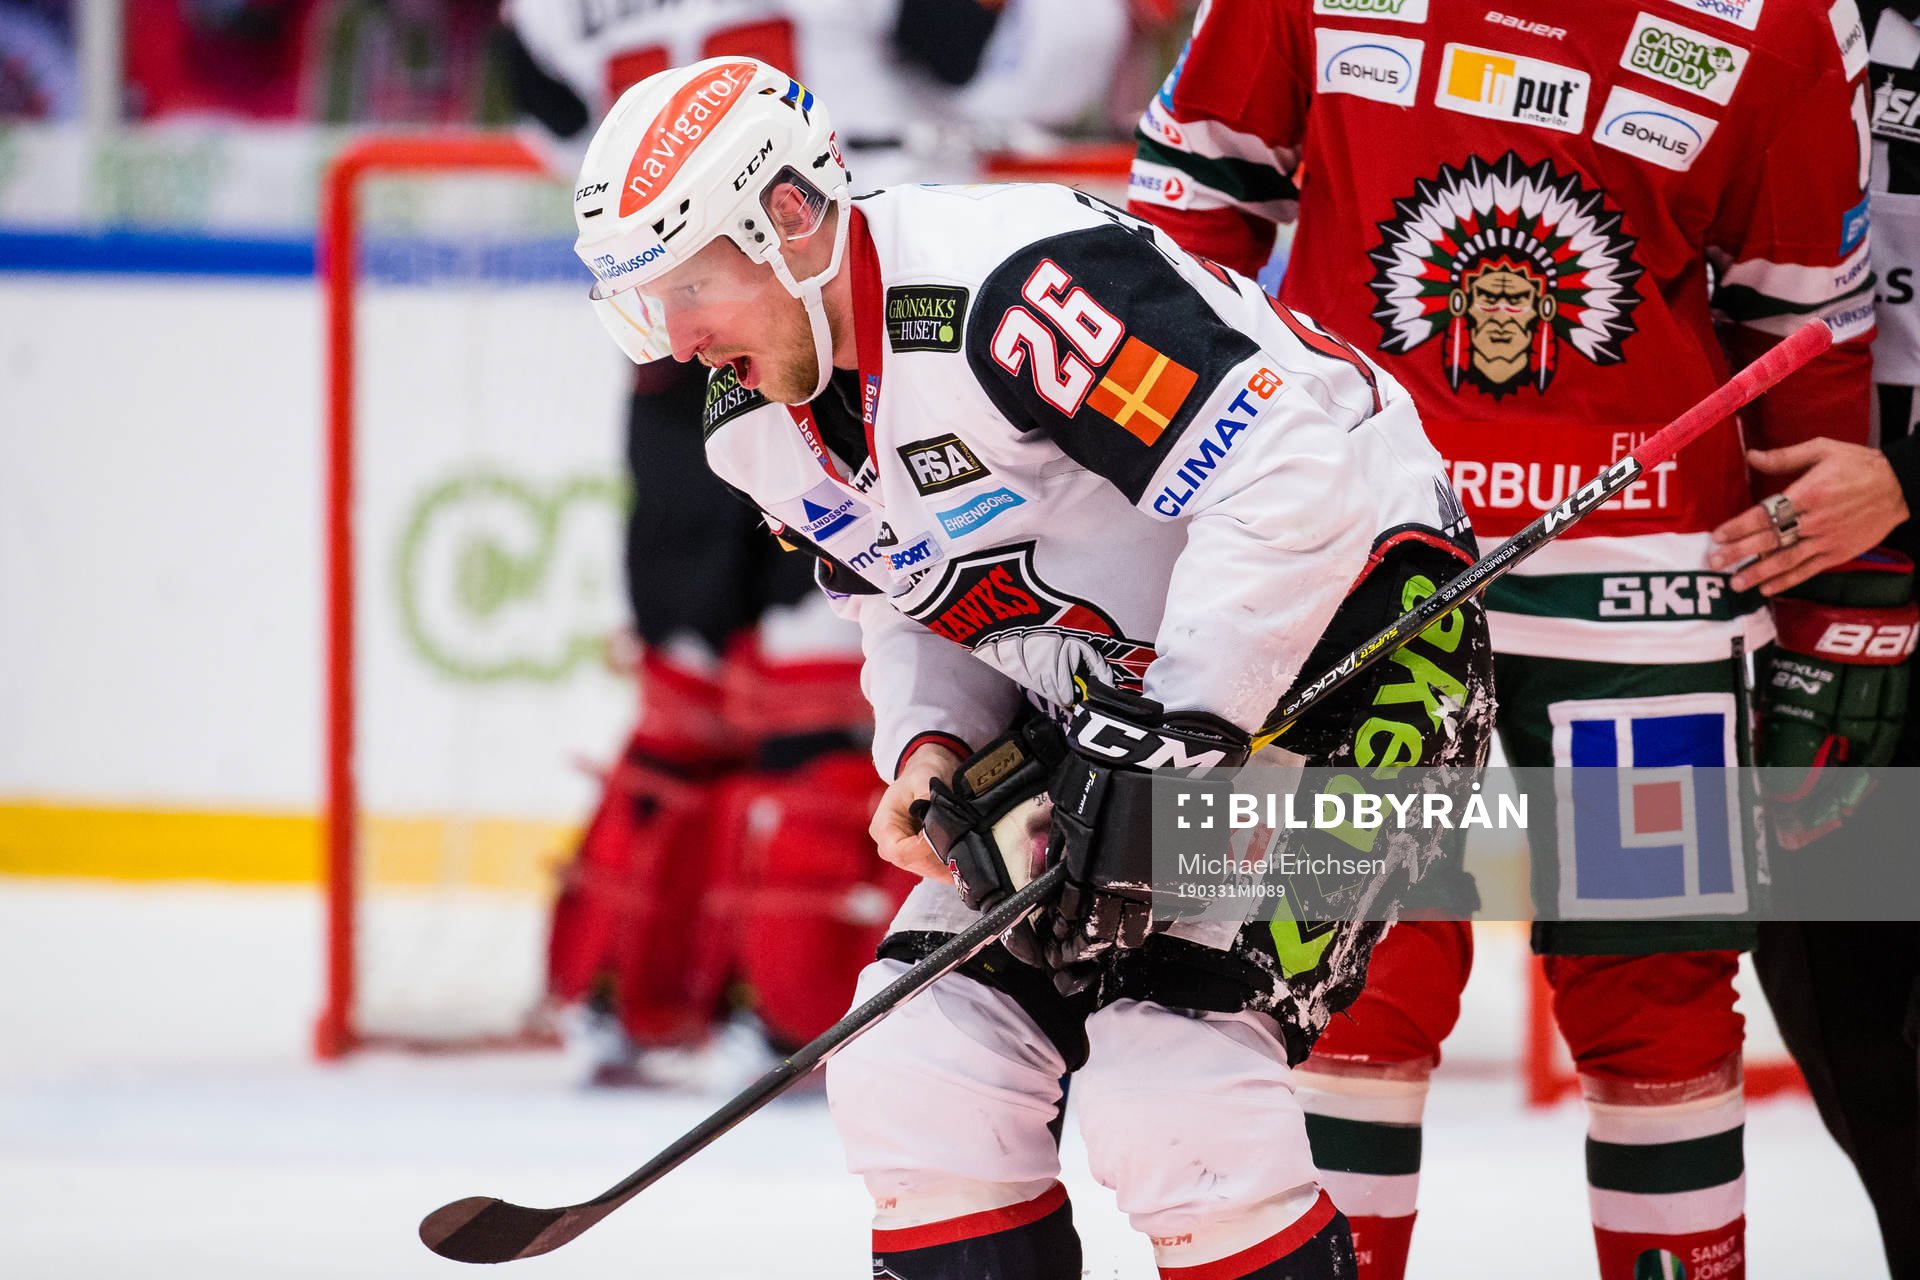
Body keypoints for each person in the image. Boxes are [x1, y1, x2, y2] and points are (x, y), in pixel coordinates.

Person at [570, 55, 1494, 1278]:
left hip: (1368, 659)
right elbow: (918, 600)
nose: (677, 340)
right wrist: (930, 744)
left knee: (1176, 1089)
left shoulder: (1014, 291)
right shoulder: (755, 428)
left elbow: (1293, 478)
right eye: (645, 302)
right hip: (1130, 702)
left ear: (790, 216)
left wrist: (1175, 727)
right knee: (917, 1064)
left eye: (691, 286)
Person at [1126, 4, 1878, 1278]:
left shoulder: (1785, 19)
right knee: (1341, 981)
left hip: (1650, 603)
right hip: (1363, 569)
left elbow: (1811, 343)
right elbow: (1174, 229)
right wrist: (1184, 512)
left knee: (1660, 1009)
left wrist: (1836, 643)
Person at [499, 0, 1131, 1082]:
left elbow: (558, 125)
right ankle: (800, 998)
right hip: (838, 319)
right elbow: (1028, 71)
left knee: (687, 688)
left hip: (676, 349)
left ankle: (626, 992)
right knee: (828, 684)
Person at [1712, 4, 1920, 1275]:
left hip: (1872, 536)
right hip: (1822, 619)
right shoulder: (1764, 21)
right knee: (1858, 1041)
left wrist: (1908, 479)